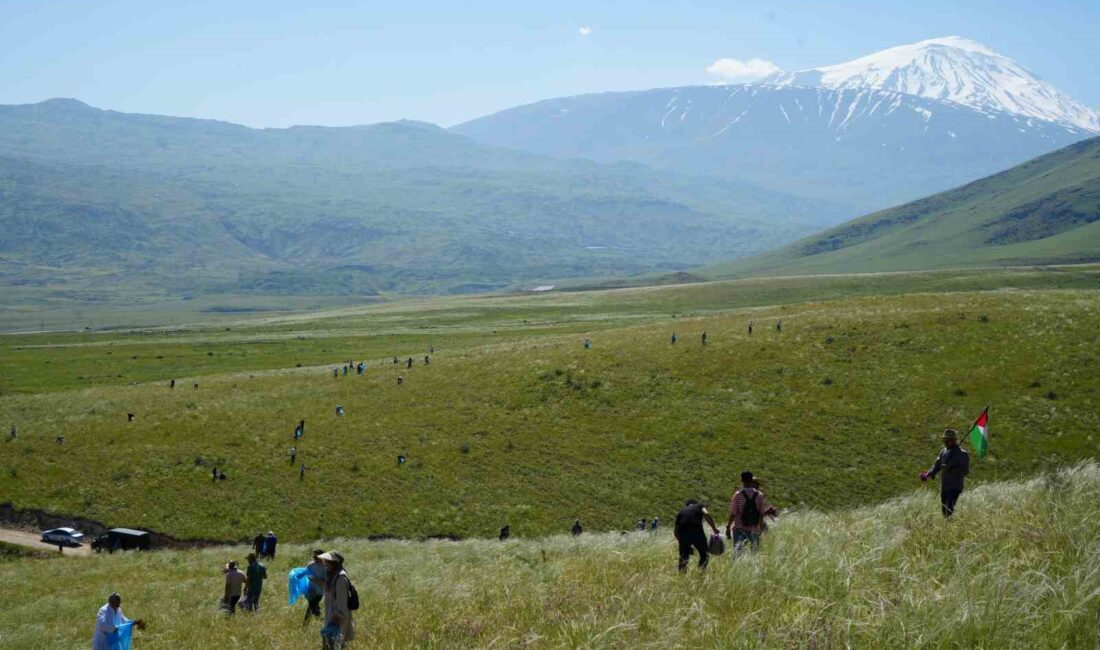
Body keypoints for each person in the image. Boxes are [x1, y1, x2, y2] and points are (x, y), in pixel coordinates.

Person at [921, 428, 971, 517]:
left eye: (946, 440)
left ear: (953, 440)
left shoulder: (962, 454)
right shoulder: (943, 452)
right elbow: (936, 465)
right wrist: (928, 474)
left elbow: (965, 471)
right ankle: (949, 526)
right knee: (945, 512)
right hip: (944, 487)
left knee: (949, 510)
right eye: (944, 440)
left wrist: (951, 469)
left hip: (955, 487)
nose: (945, 442)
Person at [726, 471, 777, 557]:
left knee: (738, 553)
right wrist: (760, 527)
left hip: (739, 527)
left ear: (742, 480)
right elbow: (761, 513)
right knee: (755, 552)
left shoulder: (738, 495)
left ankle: (738, 569)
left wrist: (728, 527)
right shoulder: (759, 495)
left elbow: (733, 513)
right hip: (754, 528)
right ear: (751, 480)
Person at [319, 551, 355, 648]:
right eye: (325, 561)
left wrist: (336, 618)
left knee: (336, 643)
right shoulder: (333, 575)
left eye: (328, 562)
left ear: (334, 563)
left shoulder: (341, 578)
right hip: (331, 614)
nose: (325, 564)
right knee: (332, 643)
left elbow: (342, 601)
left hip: (337, 617)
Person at [674, 499, 720, 572]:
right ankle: (701, 573)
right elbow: (706, 514)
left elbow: (675, 532)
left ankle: (681, 575)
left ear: (687, 505)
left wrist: (683, 542)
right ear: (695, 503)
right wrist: (714, 528)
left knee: (683, 557)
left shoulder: (681, 512)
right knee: (704, 554)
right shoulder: (699, 506)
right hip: (697, 533)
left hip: (683, 535)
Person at [304, 548, 327, 624]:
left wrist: (316, 580)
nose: (315, 559)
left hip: (319, 593)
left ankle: (305, 626)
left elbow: (326, 583)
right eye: (314, 557)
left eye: (317, 557)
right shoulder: (311, 564)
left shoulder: (326, 567)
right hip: (310, 591)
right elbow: (304, 574)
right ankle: (322, 622)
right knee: (314, 608)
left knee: (311, 607)